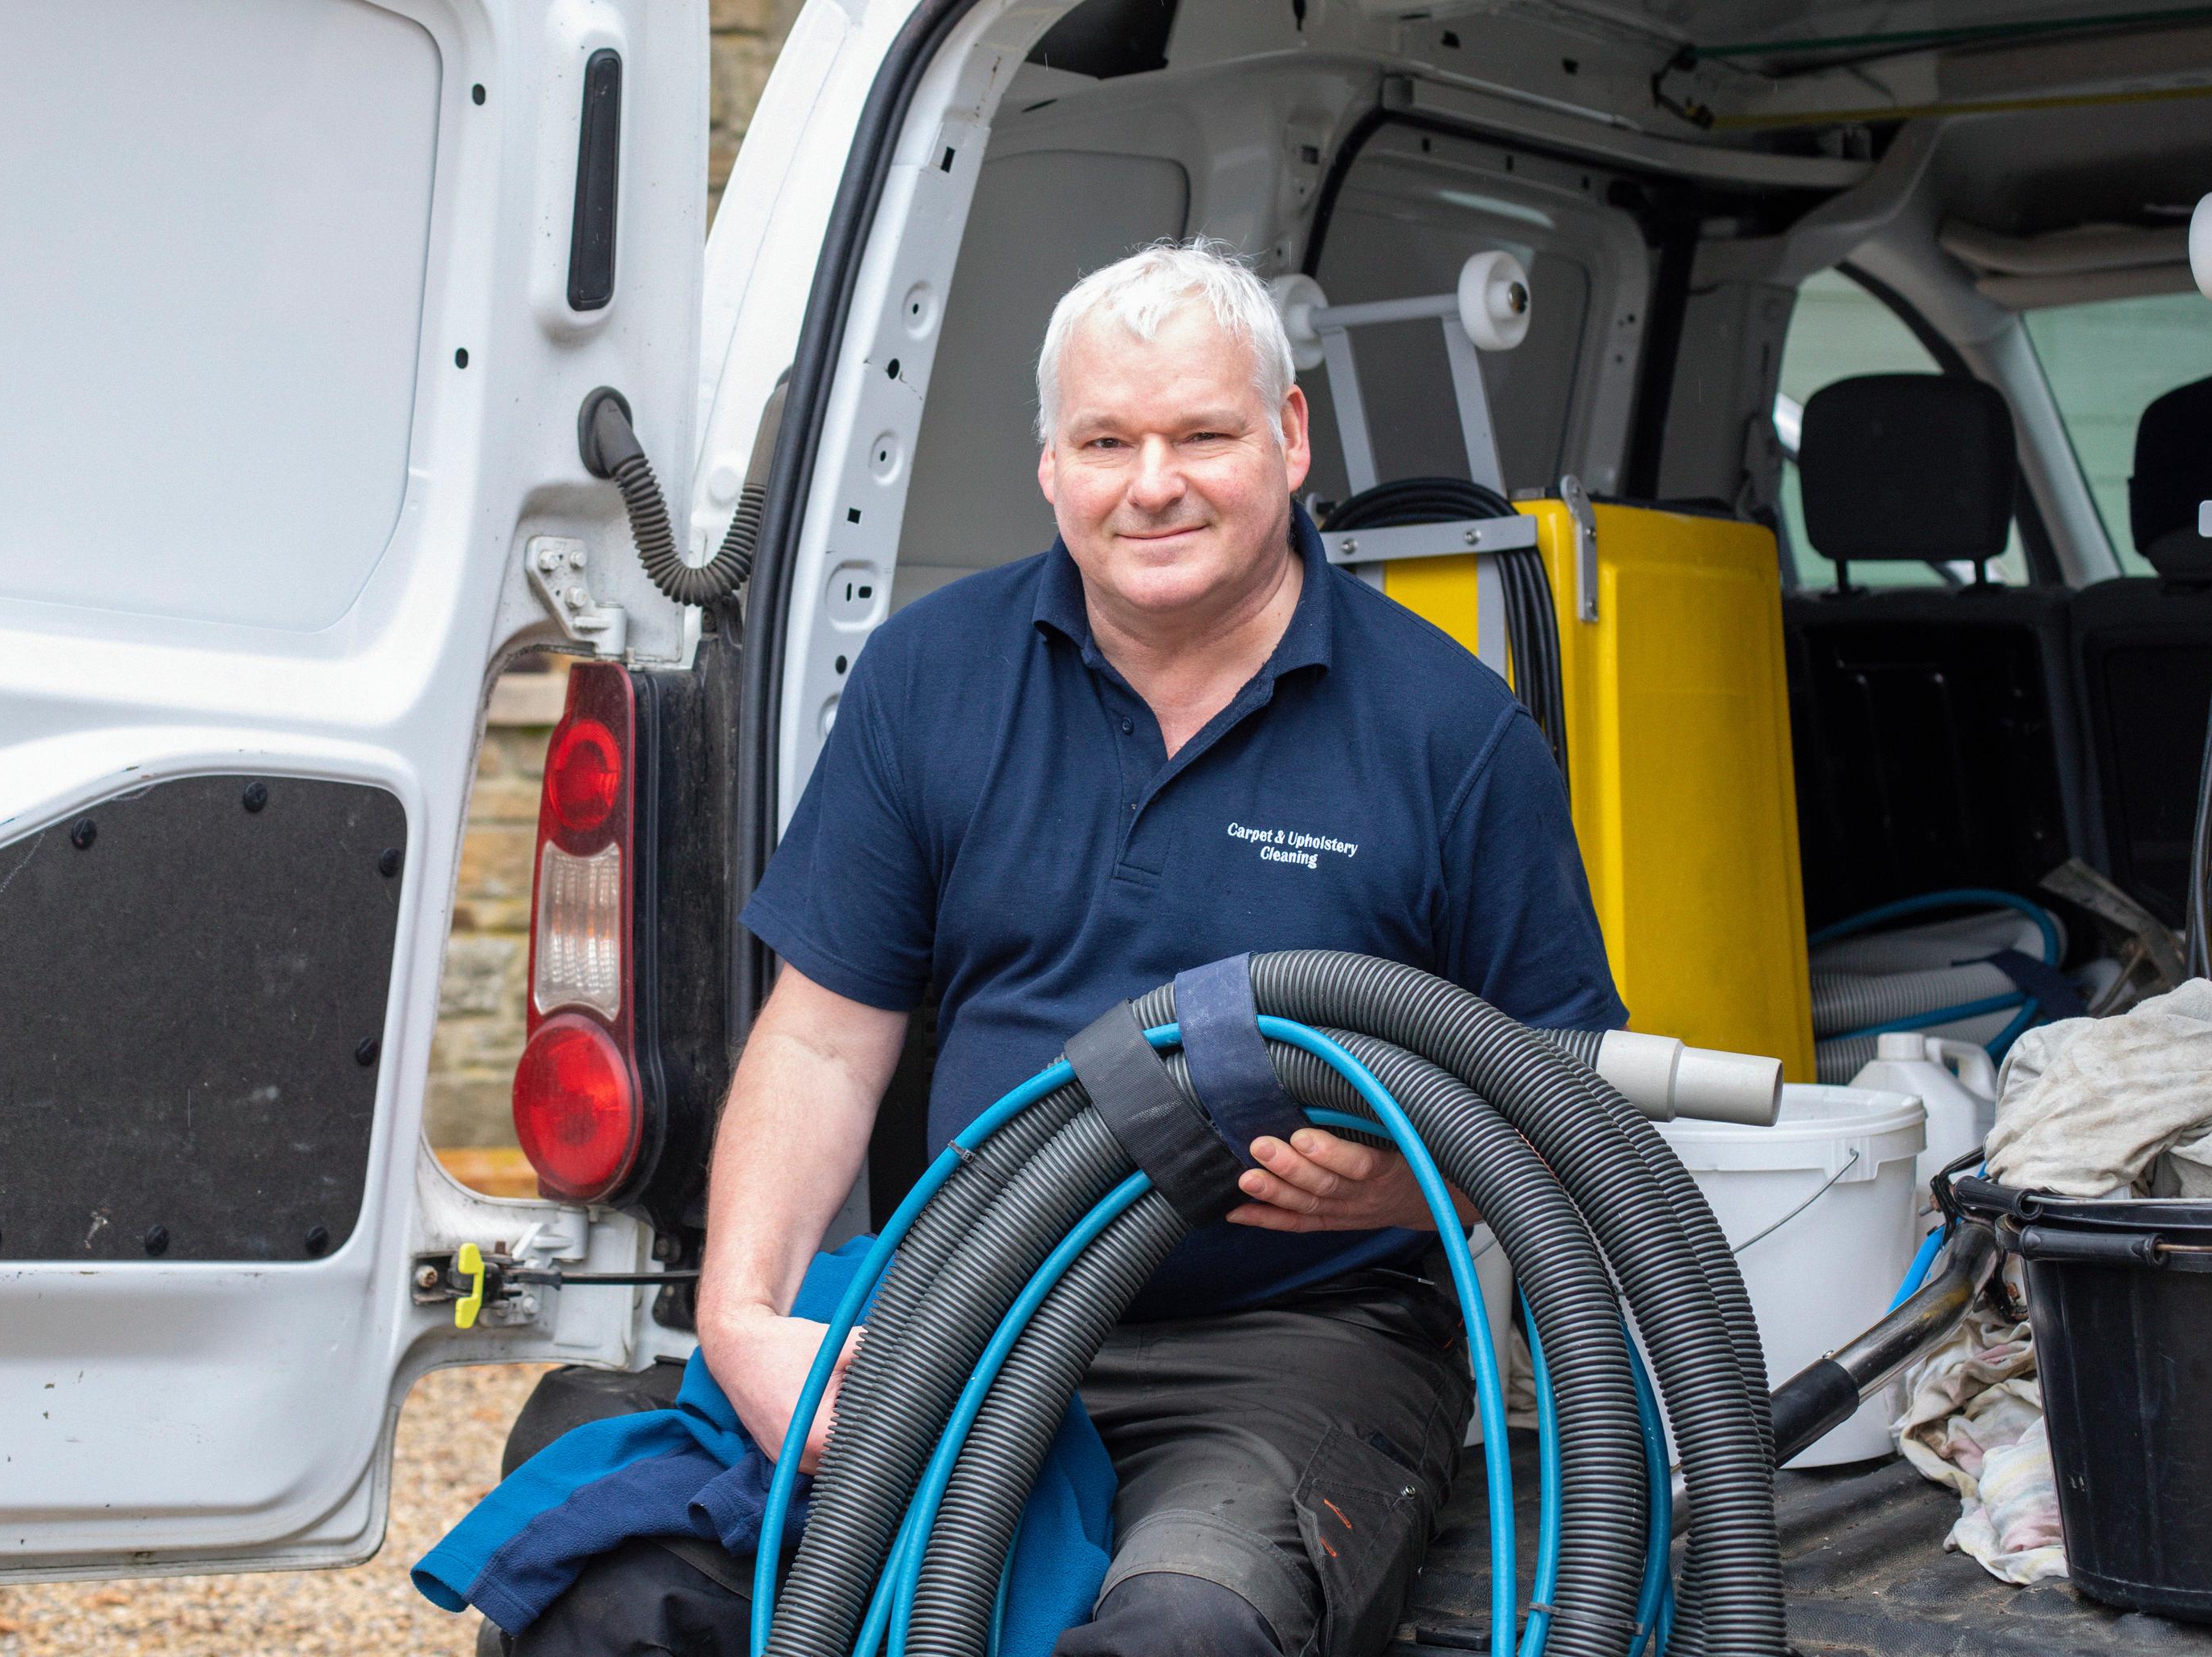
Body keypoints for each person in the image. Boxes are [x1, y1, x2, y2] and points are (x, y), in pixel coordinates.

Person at [555, 239, 1623, 1656]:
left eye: (1203, 435)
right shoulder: (933, 675)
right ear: (1050, 463)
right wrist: (744, 1320)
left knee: (1185, 1627)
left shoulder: (1448, 730)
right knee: (618, 1578)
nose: (1152, 483)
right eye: (1106, 440)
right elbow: (818, 1036)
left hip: (1290, 1347)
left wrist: (1406, 1190)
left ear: (1291, 438)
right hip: (971, 1296)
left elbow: (1567, 1093)